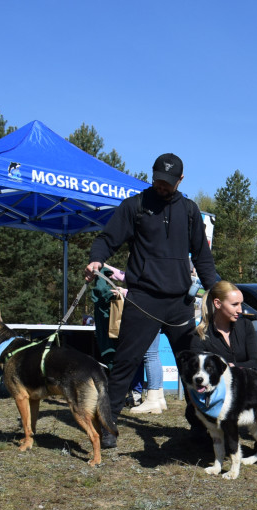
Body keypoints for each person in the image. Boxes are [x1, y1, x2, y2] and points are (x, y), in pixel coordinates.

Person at [84, 153, 219, 448]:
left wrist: (218, 291)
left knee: (194, 365)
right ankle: (108, 425)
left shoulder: (190, 211)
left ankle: (199, 426)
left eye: (168, 183)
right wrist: (97, 260)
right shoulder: (135, 206)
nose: (162, 186)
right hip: (143, 298)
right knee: (124, 363)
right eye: (158, 180)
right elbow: (107, 239)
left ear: (180, 181)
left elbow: (203, 258)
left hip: (179, 302)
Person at [189, 281, 257, 368]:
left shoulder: (246, 326)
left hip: (245, 381)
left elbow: (255, 363)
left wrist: (231, 366)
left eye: (241, 304)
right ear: (218, 303)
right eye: (235, 304)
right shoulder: (200, 335)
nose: (240, 310)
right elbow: (199, 369)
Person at [128, 334, 166, 414]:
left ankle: (152, 401)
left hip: (148, 322)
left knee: (150, 355)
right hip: (157, 322)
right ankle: (159, 398)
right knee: (154, 354)